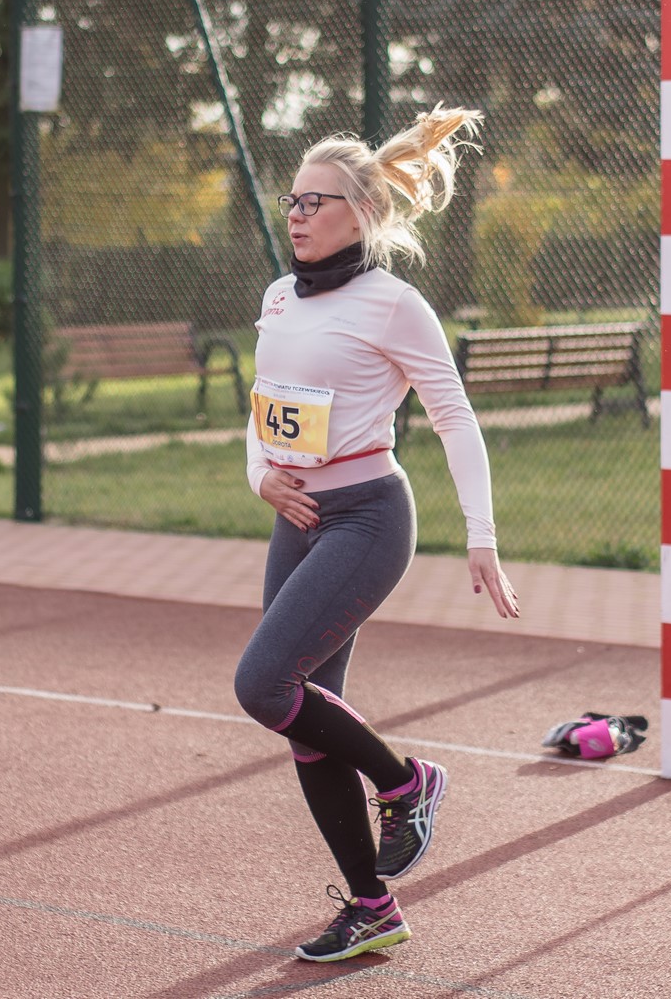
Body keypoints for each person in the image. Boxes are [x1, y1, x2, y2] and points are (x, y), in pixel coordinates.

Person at [233, 105, 521, 964]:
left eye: (314, 202)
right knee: (304, 723)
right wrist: (259, 474)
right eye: (292, 200)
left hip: (367, 517)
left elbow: (455, 418)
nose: (296, 214)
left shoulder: (396, 305)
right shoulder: (279, 295)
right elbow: (264, 404)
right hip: (297, 520)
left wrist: (481, 534)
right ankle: (372, 907)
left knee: (262, 684)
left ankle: (407, 781)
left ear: (360, 212)